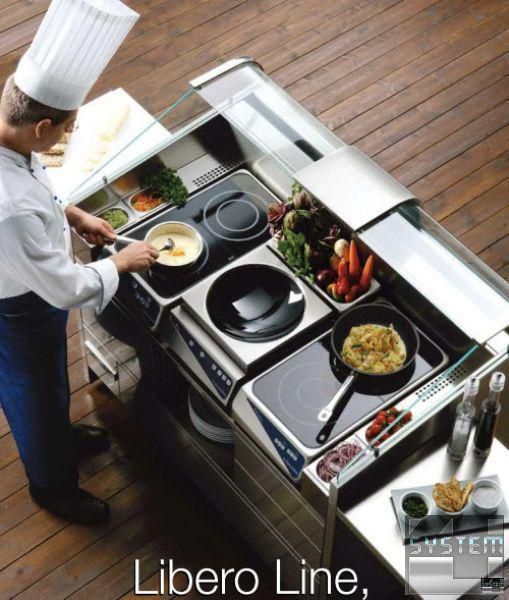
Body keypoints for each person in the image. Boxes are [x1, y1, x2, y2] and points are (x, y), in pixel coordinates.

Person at [0, 0, 158, 524]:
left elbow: (35, 191)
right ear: (42, 125)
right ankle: (52, 487)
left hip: (27, 283)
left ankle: (58, 438)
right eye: (66, 129)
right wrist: (123, 262)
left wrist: (70, 214)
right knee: (33, 394)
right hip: (19, 307)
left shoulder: (13, 142)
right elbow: (66, 289)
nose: (66, 137)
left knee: (49, 384)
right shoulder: (8, 210)